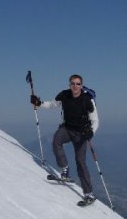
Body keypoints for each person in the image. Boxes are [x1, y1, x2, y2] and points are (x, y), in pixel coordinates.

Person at [30, 74, 99, 205]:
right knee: (56, 140)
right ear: (69, 84)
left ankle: (89, 193)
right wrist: (38, 103)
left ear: (81, 85)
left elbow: (95, 120)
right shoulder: (64, 95)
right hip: (67, 129)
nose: (75, 86)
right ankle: (64, 169)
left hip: (81, 133)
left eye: (78, 84)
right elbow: (52, 105)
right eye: (73, 83)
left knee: (80, 161)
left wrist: (90, 132)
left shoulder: (87, 100)